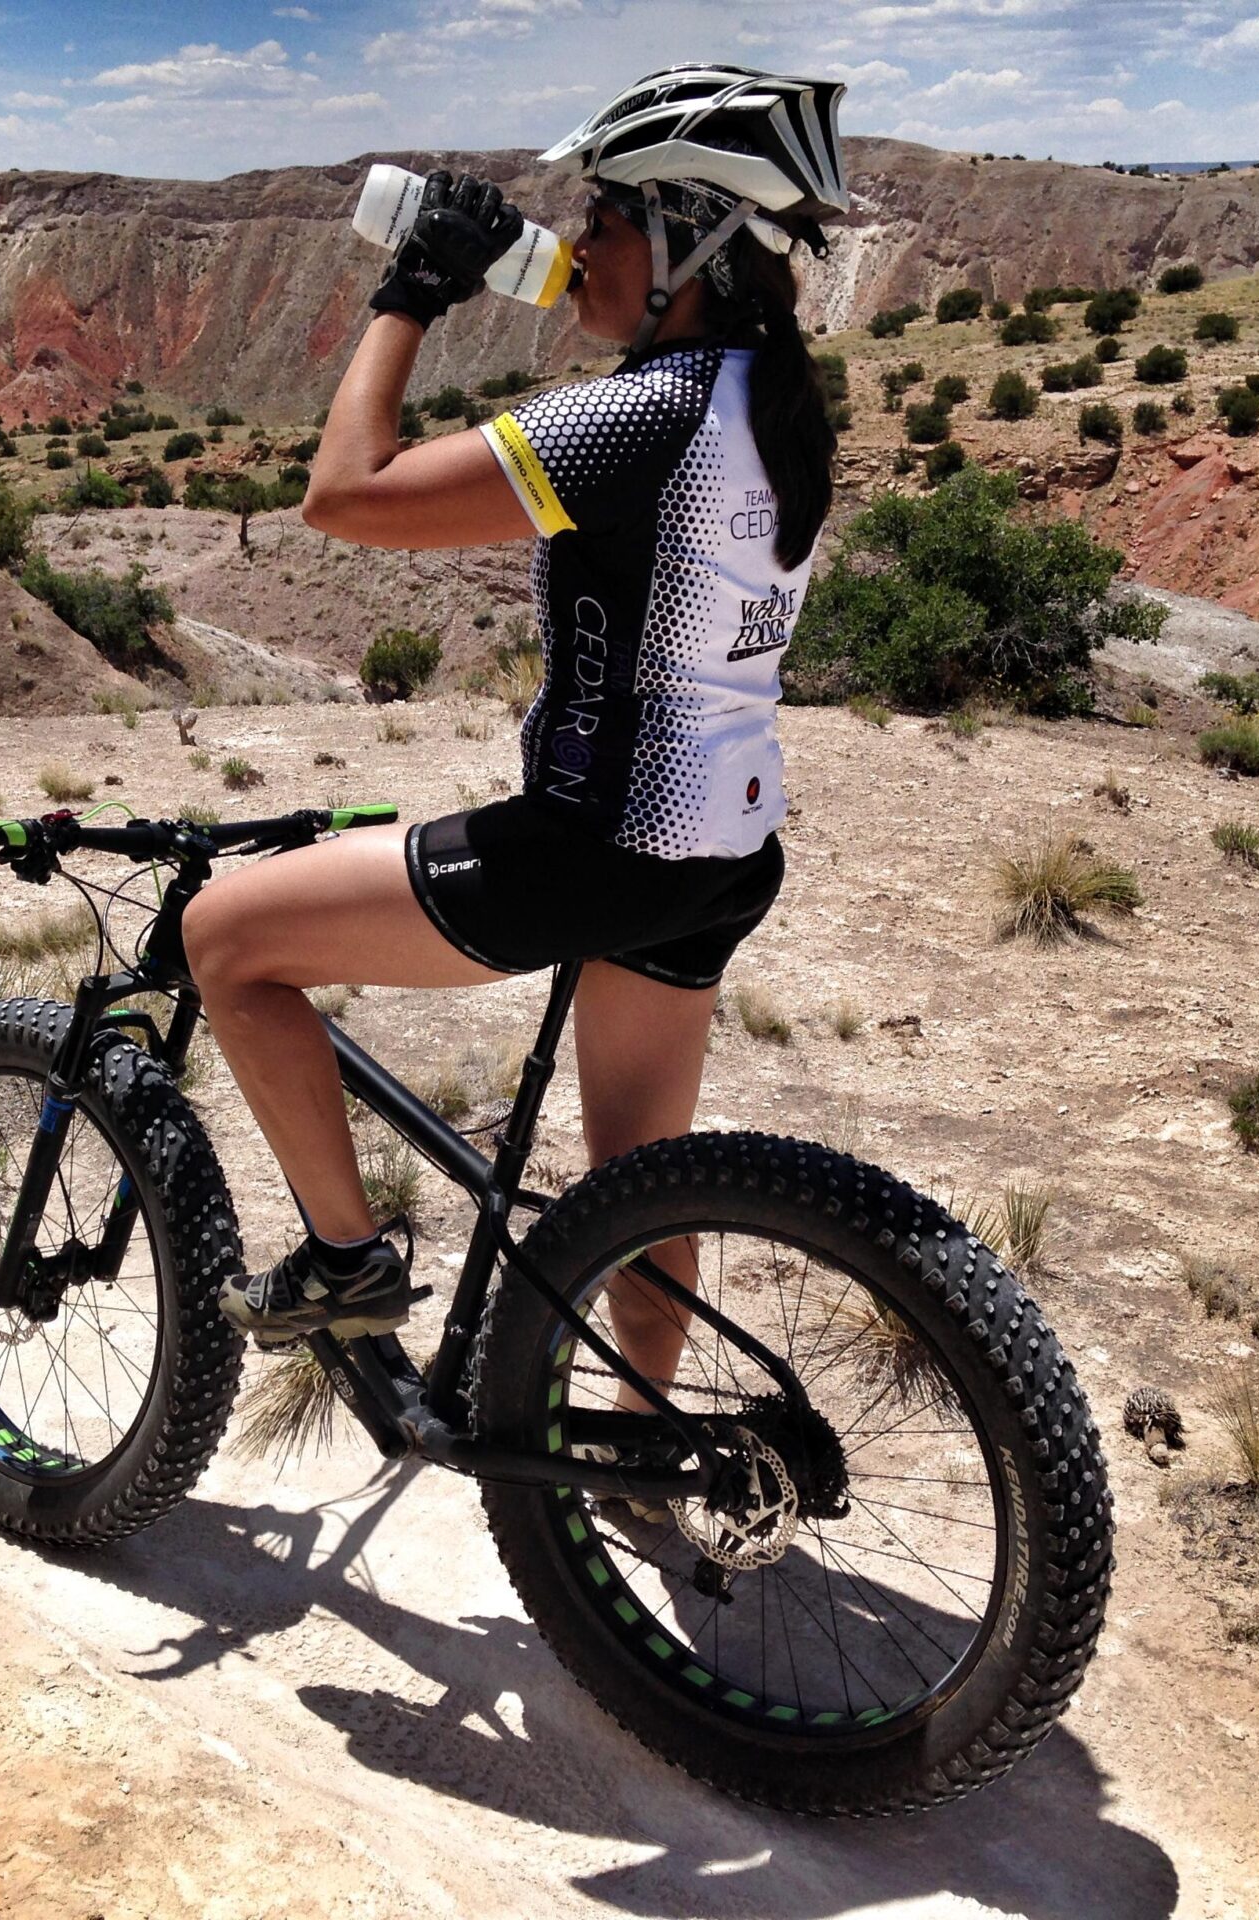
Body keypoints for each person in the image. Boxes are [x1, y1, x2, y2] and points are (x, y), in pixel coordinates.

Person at [180, 67, 849, 1373]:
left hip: (595, 849)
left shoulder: (645, 414)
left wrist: (414, 293)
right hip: (721, 850)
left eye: (605, 217)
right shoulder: (772, 393)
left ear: (689, 239)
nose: (581, 244)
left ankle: (345, 1263)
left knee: (225, 939)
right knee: (640, 1193)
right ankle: (649, 1477)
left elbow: (346, 493)